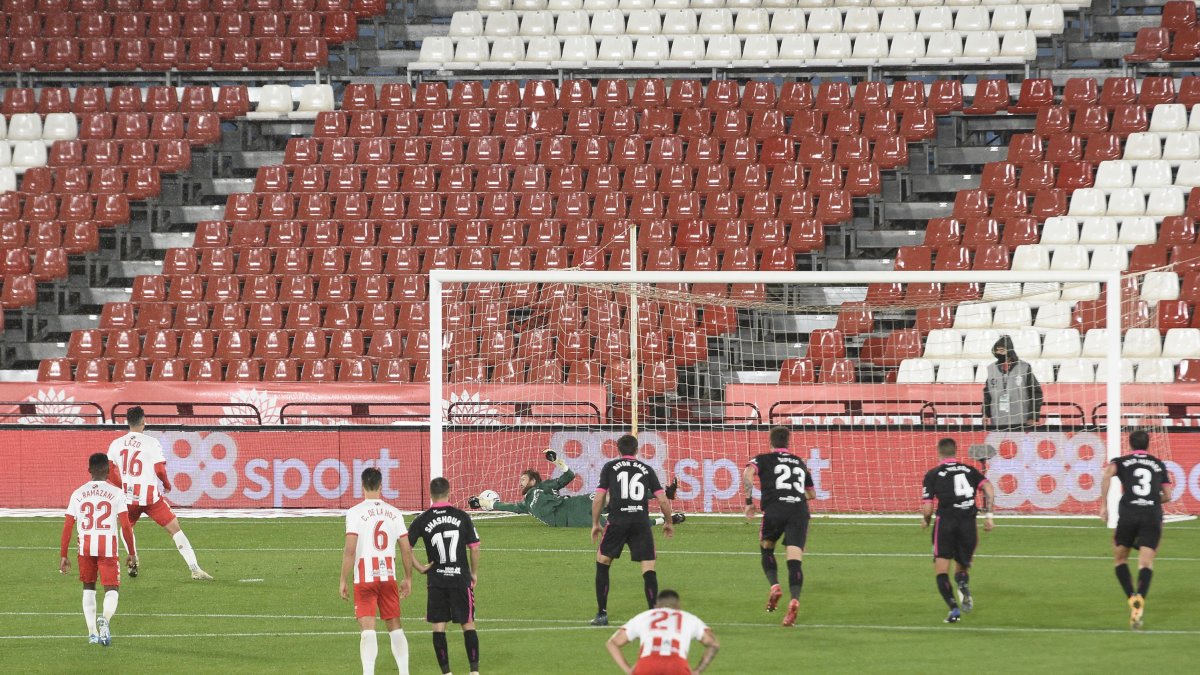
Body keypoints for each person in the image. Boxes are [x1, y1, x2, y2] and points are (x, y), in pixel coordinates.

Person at [106, 406, 212, 580]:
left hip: (129, 498)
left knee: (126, 527)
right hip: (150, 498)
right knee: (175, 529)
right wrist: (167, 483)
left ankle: (133, 561)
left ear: (128, 422)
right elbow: (159, 469)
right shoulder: (151, 442)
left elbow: (109, 471)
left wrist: (123, 485)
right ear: (143, 422)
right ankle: (195, 569)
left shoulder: (116, 443)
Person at [473, 450, 683, 528]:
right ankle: (665, 519)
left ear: (534, 481)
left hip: (575, 504)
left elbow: (569, 476)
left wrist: (557, 461)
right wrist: (483, 504)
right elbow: (507, 506)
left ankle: (664, 493)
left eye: (524, 478)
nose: (520, 482)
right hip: (570, 519)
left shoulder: (545, 486)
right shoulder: (525, 504)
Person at [591, 434, 676, 627]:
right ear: (637, 450)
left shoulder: (610, 467)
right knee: (648, 567)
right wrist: (668, 522)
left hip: (617, 521)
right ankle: (654, 616)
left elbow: (599, 497)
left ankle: (602, 614)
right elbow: (663, 500)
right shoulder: (647, 469)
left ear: (618, 450)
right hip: (640, 522)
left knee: (603, 561)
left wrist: (596, 523)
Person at [339, 467, 416, 675]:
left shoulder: (355, 512)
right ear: (381, 486)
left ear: (362, 486)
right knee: (395, 626)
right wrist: (408, 577)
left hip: (364, 578)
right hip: (388, 576)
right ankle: (404, 672)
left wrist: (343, 579)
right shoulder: (394, 513)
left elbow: (350, 549)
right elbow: (406, 548)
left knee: (367, 629)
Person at [60, 452, 138, 647]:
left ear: (89, 471)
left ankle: (92, 633)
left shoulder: (77, 493)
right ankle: (105, 619)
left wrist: (63, 555)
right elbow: (126, 526)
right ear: (109, 471)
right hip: (107, 548)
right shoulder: (116, 493)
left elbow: (68, 525)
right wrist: (132, 552)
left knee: (88, 587)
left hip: (85, 548)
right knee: (112, 588)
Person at [741, 426, 816, 627]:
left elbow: (748, 473)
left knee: (766, 548)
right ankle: (795, 599)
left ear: (770, 441)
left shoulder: (763, 459)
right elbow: (811, 494)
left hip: (775, 509)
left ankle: (775, 585)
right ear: (787, 443)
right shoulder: (799, 462)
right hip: (799, 512)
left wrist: (749, 501)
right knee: (794, 559)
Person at [1099, 430, 1173, 630]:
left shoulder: (1121, 461)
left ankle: (1131, 596)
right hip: (1151, 515)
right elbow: (1168, 495)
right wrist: (1150, 500)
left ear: (1130, 445)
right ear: (1148, 445)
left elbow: (1107, 474)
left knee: (1120, 559)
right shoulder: (1158, 464)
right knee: (1146, 563)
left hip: (1129, 514)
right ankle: (1140, 599)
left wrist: (1104, 505)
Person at [408, 477, 482, 675]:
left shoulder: (422, 519)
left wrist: (419, 568)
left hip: (437, 580)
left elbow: (406, 547)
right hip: (460, 579)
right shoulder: (462, 516)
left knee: (438, 627)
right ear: (449, 492)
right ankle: (474, 671)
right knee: (467, 624)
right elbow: (474, 548)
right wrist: (473, 573)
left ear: (431, 495)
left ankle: (446, 673)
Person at [921, 438, 995, 623]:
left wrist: (926, 520)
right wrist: (989, 516)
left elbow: (928, 508)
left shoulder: (933, 474)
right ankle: (962, 583)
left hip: (945, 523)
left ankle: (954, 609)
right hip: (968, 524)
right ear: (956, 452)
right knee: (961, 567)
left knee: (941, 570)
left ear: (938, 451)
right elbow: (988, 487)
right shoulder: (969, 470)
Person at [605, 589, 719, 675]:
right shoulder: (689, 618)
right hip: (677, 666)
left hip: (647, 665)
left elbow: (612, 643)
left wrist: (629, 670)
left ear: (656, 605)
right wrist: (697, 671)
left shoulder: (644, 616)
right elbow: (713, 644)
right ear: (679, 606)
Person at [982, 335, 1043, 430]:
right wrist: (985, 413)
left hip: (1021, 421)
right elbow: (987, 395)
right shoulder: (991, 369)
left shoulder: (1024, 367)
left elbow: (1036, 393)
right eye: (996, 351)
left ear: (1009, 350)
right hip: (998, 421)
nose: (998, 353)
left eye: (1002, 350)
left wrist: (1033, 417)